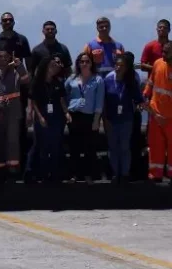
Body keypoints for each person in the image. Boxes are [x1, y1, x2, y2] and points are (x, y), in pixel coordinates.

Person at [104, 53, 145, 184]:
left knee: (125, 147)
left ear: (127, 67)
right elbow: (103, 101)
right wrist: (104, 119)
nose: (118, 67)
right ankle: (116, 173)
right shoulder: (108, 79)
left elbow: (139, 99)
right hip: (111, 119)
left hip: (127, 118)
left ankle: (125, 174)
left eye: (122, 65)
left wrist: (153, 111)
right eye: (117, 65)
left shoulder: (131, 80)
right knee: (113, 147)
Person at [65, 51, 105, 182]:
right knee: (74, 147)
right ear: (78, 64)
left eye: (87, 61)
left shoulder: (98, 79)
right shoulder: (72, 79)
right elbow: (63, 96)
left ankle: (89, 174)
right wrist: (66, 112)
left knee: (90, 147)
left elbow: (99, 101)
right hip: (74, 115)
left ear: (91, 63)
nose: (84, 64)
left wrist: (96, 120)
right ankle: (75, 174)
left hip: (89, 117)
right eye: (82, 61)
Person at [27, 56, 68, 183]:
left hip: (56, 117)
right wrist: (39, 117)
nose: (55, 68)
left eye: (56, 66)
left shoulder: (58, 82)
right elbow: (33, 101)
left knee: (55, 146)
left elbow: (62, 100)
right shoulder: (37, 82)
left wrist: (66, 113)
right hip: (42, 116)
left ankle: (54, 175)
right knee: (43, 147)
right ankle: (43, 174)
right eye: (52, 65)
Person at [0, 49, 29, 180]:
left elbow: (26, 80)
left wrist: (20, 66)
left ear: (9, 59)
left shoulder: (15, 72)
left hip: (13, 110)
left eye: (5, 57)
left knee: (13, 140)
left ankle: (13, 168)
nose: (2, 59)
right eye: (0, 56)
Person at [143, 42, 172, 182]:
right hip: (155, 114)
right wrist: (145, 94)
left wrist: (166, 116)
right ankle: (156, 174)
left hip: (169, 118)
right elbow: (151, 82)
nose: (163, 55)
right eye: (163, 52)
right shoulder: (157, 63)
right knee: (155, 145)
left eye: (167, 52)